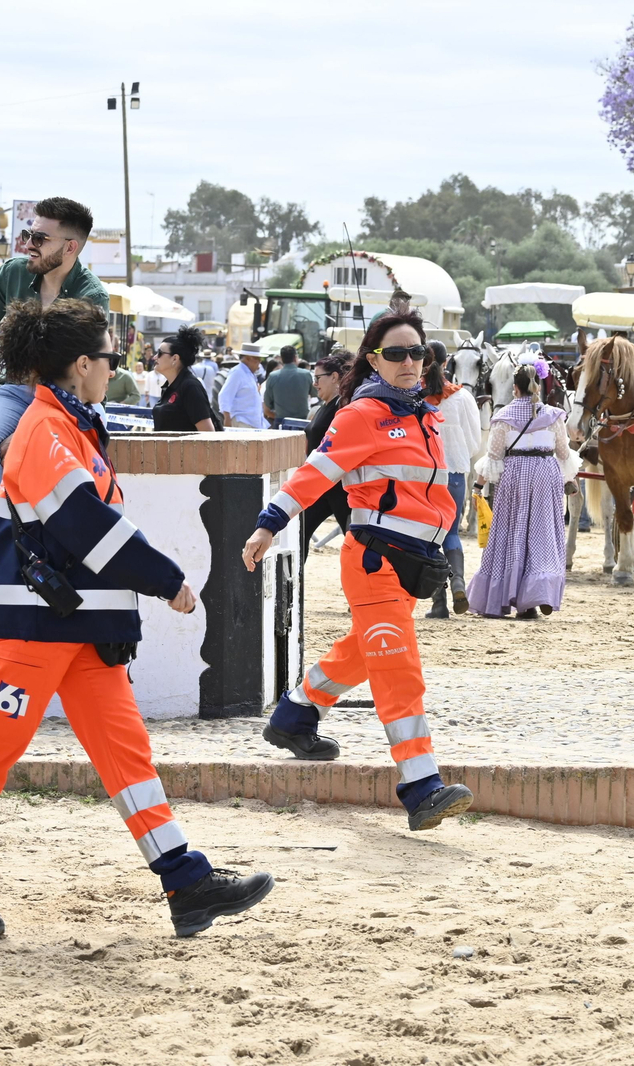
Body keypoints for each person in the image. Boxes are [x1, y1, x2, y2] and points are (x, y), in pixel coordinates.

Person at [0, 297, 273, 942]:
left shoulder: (67, 427)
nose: (116, 367)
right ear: (82, 364)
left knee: (126, 755)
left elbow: (83, 528)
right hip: (37, 627)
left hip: (72, 627)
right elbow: (86, 528)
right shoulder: (48, 432)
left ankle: (185, 882)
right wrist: (166, 581)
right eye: (109, 358)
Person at [241, 294, 474, 832]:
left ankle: (295, 714)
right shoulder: (361, 415)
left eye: (418, 352)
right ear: (373, 359)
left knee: (369, 650)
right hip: (374, 562)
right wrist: (268, 524)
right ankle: (421, 786)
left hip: (413, 563)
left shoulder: (429, 415)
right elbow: (313, 473)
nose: (410, 362)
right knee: (397, 666)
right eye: (396, 354)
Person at [0, 197, 107, 518]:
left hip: (69, 400)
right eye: (28, 235)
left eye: (40, 239)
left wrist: (28, 430)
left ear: (70, 248)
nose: (28, 245)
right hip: (15, 389)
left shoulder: (91, 296)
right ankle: (6, 538)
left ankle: (56, 539)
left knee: (55, 452)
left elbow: (84, 377)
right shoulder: (13, 273)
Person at [467, 362, 573, 619]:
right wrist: (570, 479)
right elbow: (563, 453)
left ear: (515, 388)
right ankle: (536, 595)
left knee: (510, 534)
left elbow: (493, 457)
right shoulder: (554, 415)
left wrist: (478, 486)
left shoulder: (503, 418)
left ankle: (501, 597)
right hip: (546, 474)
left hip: (515, 475)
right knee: (542, 533)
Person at [422, 339, 482, 617]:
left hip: (423, 477)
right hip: (455, 474)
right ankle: (458, 580)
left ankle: (439, 603)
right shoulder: (463, 397)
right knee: (452, 532)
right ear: (448, 363)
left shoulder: (413, 397)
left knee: (429, 537)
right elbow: (474, 443)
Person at [298, 353, 352, 555]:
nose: (315, 384)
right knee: (300, 532)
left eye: (318, 378)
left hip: (339, 486)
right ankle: (296, 584)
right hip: (321, 486)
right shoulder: (325, 406)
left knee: (356, 542)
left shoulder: (343, 405)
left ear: (335, 377)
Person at [152, 325, 220, 432]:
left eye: (160, 353)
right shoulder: (170, 386)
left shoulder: (190, 387)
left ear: (175, 358)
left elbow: (208, 435)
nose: (154, 357)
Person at [263, 346, 313, 428]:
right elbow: (316, 395)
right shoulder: (306, 374)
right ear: (295, 358)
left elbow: (266, 407)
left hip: (281, 423)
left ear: (281, 359)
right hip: (303, 422)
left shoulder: (273, 376)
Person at [219, 348, 267, 428]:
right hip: (242, 422)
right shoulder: (237, 372)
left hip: (251, 423)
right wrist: (227, 419)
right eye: (258, 359)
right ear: (248, 358)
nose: (259, 363)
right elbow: (224, 395)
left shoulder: (249, 374)